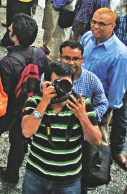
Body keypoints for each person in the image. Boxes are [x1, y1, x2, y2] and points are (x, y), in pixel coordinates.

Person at [0, 14, 49, 183]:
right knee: (19, 141)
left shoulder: (8, 62)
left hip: (9, 109)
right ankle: (12, 173)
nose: (8, 31)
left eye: (10, 30)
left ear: (15, 37)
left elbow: (5, 91)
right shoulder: (40, 55)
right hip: (29, 106)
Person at [21, 61, 101, 193]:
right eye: (57, 83)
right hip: (36, 174)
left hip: (69, 179)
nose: (62, 88)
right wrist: (44, 103)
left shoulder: (82, 104)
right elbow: (27, 132)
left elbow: (96, 141)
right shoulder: (35, 101)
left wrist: (82, 116)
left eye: (66, 84)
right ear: (46, 84)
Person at [79, 7, 127, 168]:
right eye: (93, 22)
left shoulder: (120, 54)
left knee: (95, 147)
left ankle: (91, 178)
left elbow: (116, 89)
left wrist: (105, 113)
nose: (96, 26)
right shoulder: (87, 38)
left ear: (113, 26)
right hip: (77, 100)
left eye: (101, 24)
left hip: (98, 106)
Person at [57, 40, 109, 123]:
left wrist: (87, 117)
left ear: (82, 59)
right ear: (60, 57)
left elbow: (102, 104)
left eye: (76, 59)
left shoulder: (92, 79)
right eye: (67, 58)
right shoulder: (49, 77)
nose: (71, 63)